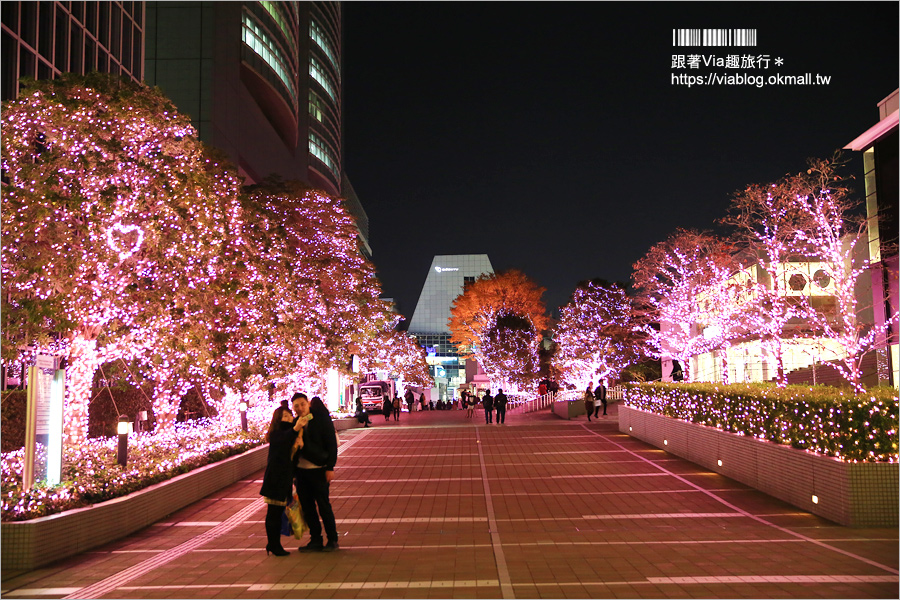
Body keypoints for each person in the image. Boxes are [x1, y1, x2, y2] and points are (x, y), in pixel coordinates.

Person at [292, 393, 340, 552]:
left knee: (323, 505)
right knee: (307, 507)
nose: (300, 408)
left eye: (302, 404)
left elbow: (331, 444)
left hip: (319, 470)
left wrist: (330, 467)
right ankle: (316, 539)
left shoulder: (320, 420)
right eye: (296, 406)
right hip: (301, 472)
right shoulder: (295, 423)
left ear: (308, 404)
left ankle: (332, 539)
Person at [259, 401, 303, 556]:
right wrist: (295, 430)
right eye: (284, 416)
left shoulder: (291, 433)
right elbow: (284, 439)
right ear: (278, 419)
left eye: (289, 415)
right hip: (275, 478)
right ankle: (273, 544)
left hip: (285, 478)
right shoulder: (277, 434)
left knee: (277, 512)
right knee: (274, 513)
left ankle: (274, 544)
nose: (289, 418)